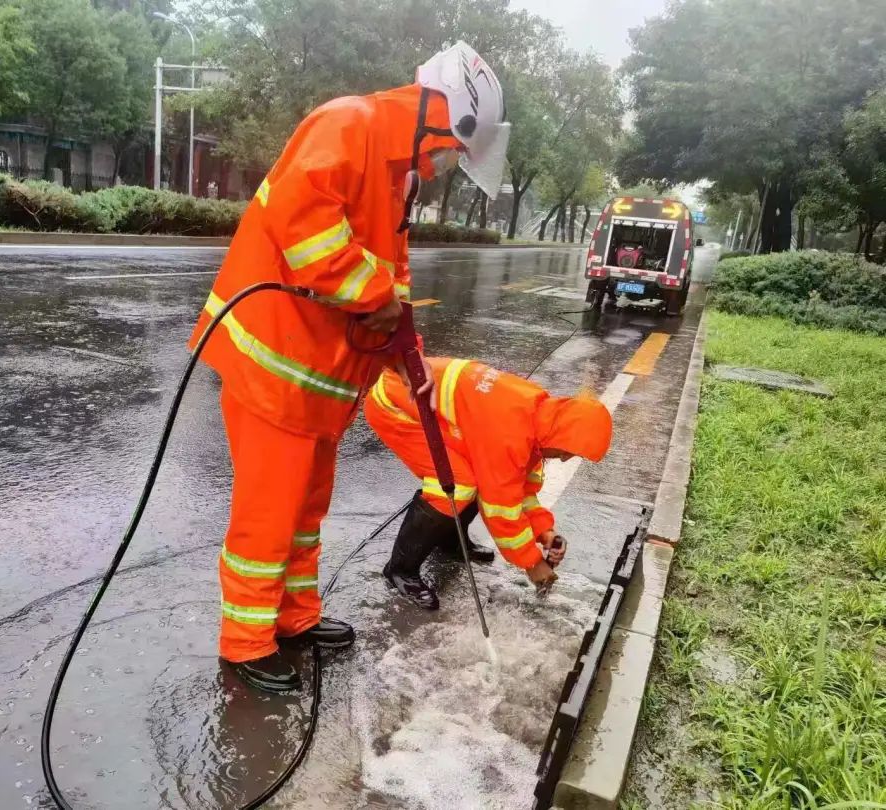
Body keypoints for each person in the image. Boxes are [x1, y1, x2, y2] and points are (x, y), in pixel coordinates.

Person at [189, 43, 510, 693]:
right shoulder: (348, 124)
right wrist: (376, 299)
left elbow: (390, 272)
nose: (446, 164)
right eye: (451, 148)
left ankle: (295, 619)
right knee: (269, 511)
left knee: (305, 510)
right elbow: (303, 227)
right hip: (271, 368)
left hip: (316, 387)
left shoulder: (394, 175)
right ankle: (246, 643)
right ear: (439, 116)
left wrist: (402, 339)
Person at [364, 357, 613, 608]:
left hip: (418, 399)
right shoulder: (509, 436)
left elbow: (521, 491)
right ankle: (400, 570)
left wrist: (544, 532)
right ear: (562, 435)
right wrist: (533, 563)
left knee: (475, 476)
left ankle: (449, 542)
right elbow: (500, 509)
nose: (564, 458)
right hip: (395, 405)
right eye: (568, 451)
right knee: (457, 484)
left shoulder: (539, 421)